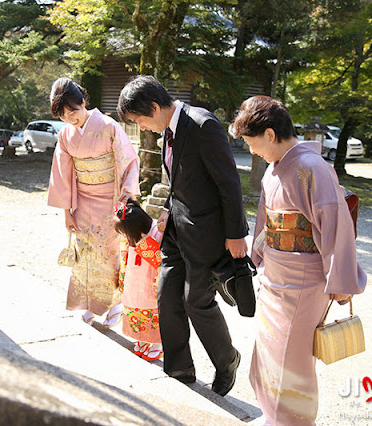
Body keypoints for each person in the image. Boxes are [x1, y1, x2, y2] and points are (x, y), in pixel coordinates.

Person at [231, 96, 367, 425]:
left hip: (304, 282)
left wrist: (342, 282)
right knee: (268, 354)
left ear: (269, 134)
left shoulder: (312, 168)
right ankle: (273, 415)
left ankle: (293, 422)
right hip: (275, 278)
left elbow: (335, 226)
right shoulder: (275, 171)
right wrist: (257, 259)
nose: (252, 151)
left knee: (292, 361)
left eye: (251, 143)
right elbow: (266, 224)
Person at [117, 75, 249, 396]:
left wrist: (235, 234)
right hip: (175, 229)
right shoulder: (168, 132)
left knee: (197, 301)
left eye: (140, 120)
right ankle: (179, 368)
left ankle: (227, 359)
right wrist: (161, 223)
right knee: (166, 295)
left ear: (153, 106)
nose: (142, 128)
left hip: (206, 232)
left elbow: (229, 184)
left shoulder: (203, 125)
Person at [48, 77, 140, 327]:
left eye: (73, 112)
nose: (69, 119)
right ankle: (89, 302)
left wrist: (125, 200)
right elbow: (63, 174)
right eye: (63, 116)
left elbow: (128, 161)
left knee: (109, 253)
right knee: (84, 254)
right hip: (81, 201)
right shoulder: (66, 135)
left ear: (83, 102)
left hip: (110, 200)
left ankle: (116, 302)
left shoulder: (108, 126)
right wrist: (66, 213)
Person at [114, 199, 163, 361]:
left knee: (152, 310)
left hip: (150, 281)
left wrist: (144, 244)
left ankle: (157, 343)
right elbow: (124, 257)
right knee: (134, 306)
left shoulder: (157, 232)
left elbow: (161, 260)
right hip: (134, 279)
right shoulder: (131, 235)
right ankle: (142, 339)